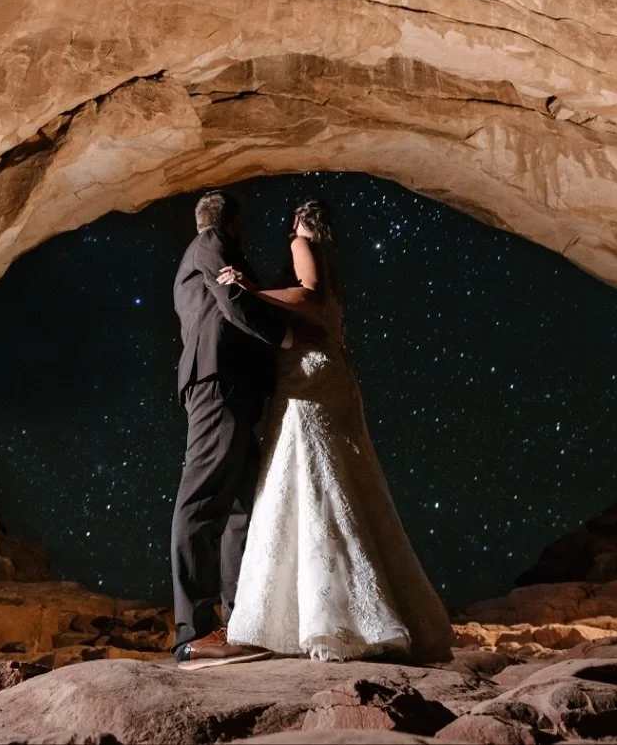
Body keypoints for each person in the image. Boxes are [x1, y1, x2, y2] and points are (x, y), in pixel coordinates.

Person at [220, 197, 453, 663]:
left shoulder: (301, 243)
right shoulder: (329, 256)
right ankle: (337, 610)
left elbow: (309, 296)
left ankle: (331, 619)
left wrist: (252, 291)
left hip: (309, 379)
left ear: (301, 220)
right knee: (329, 477)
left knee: (310, 477)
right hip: (327, 374)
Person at [170, 189, 303, 668]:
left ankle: (236, 623)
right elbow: (230, 302)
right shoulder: (210, 244)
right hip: (216, 380)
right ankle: (193, 634)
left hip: (231, 383)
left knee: (242, 507)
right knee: (202, 502)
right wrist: (283, 337)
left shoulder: (203, 249)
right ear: (233, 224)